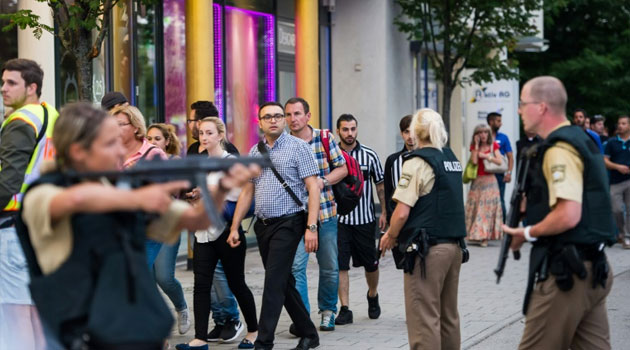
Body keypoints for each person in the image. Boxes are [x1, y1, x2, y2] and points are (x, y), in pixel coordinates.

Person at [16, 102, 259, 350]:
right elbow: (76, 199)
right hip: (79, 334)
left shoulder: (120, 188)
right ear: (79, 150)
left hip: (131, 329)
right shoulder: (44, 191)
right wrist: (136, 197)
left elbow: (197, 219)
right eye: (111, 144)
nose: (121, 152)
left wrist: (223, 188)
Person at [503, 76, 616, 349]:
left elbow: (568, 214)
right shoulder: (582, 140)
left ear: (541, 107)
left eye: (522, 103)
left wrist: (527, 232)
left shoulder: (559, 149)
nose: (519, 110)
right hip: (594, 266)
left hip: (566, 274)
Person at [231, 101, 320, 350]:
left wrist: (311, 227)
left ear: (283, 120)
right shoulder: (254, 152)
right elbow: (248, 190)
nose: (273, 120)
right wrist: (235, 225)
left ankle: (263, 342)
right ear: (259, 122)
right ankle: (310, 334)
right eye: (267, 117)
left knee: (273, 281)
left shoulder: (298, 148)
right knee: (282, 281)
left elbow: (313, 187)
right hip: (263, 225)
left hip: (290, 222)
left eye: (278, 116)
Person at [380, 108, 465, 350]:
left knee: (423, 318)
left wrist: (390, 236)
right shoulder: (450, 159)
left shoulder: (417, 162)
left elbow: (402, 211)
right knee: (448, 316)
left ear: (417, 131)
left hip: (427, 250)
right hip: (454, 246)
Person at [177, 117, 258, 350]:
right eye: (201, 133)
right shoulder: (203, 164)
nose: (204, 137)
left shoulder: (230, 162)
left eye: (210, 133)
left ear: (220, 135)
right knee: (201, 285)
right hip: (204, 233)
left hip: (227, 231)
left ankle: (253, 331)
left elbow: (238, 194)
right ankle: (200, 338)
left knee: (236, 283)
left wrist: (209, 191)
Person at [0, 58, 58, 350]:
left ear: (32, 87)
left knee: (15, 313)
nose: (3, 89)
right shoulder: (51, 115)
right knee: (33, 311)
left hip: (13, 227)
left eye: (12, 83)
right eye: (2, 82)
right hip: (41, 223)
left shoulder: (20, 120)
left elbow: (7, 183)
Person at [285, 97, 347, 332]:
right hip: (296, 215)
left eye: (297, 114)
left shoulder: (324, 138)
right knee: (295, 267)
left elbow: (342, 168)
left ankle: (328, 311)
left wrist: (322, 182)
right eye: (289, 114)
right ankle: (302, 318)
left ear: (308, 116)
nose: (293, 119)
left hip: (325, 212)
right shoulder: (283, 143)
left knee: (329, 265)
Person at [186, 101, 243, 343]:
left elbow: (236, 190)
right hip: (200, 219)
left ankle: (232, 318)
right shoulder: (192, 150)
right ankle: (219, 321)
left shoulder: (228, 152)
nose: (190, 126)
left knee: (222, 274)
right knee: (205, 278)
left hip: (221, 222)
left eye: (192, 121)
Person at [336, 114, 386, 324]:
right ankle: (345, 308)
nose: (349, 133)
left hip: (365, 220)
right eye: (345, 129)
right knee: (341, 265)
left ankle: (372, 295)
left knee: (371, 264)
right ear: (338, 131)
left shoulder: (369, 155)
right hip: (339, 221)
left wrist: (384, 212)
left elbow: (380, 185)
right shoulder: (332, 155)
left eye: (353, 129)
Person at [145, 123, 191, 335]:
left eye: (157, 139)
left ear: (167, 141)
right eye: (150, 138)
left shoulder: (174, 162)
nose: (153, 142)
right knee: (146, 276)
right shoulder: (140, 161)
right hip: (146, 226)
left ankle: (181, 307)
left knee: (163, 276)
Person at [110, 105, 168, 268]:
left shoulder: (153, 154)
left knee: (138, 271)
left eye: (121, 124)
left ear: (136, 127)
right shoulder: (111, 153)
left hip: (150, 226)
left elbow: (164, 191)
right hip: (121, 225)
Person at [464, 124, 503, 247]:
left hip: (490, 181)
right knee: (475, 208)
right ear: (476, 135)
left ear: (489, 134)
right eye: (480, 133)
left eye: (485, 132)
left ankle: (485, 237)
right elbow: (474, 161)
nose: (483, 135)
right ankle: (476, 235)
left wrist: (486, 156)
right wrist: (476, 146)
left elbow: (500, 161)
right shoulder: (473, 147)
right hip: (477, 182)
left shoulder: (493, 146)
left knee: (486, 210)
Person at [603, 115, 630, 249]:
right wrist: (617, 167)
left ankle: (627, 237)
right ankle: (620, 232)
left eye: (624, 124)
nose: (620, 126)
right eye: (619, 123)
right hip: (615, 182)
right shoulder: (612, 142)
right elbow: (605, 161)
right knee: (617, 210)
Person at [384, 115, 415, 224]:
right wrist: (388, 216)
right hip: (398, 217)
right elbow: (388, 191)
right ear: (401, 134)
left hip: (420, 218)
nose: (411, 136)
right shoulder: (392, 160)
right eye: (406, 132)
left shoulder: (428, 158)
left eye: (414, 131)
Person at [487, 112, 514, 221]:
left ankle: (503, 226)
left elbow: (510, 157)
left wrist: (509, 173)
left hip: (499, 174)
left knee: (500, 200)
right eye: (498, 121)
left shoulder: (503, 137)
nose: (501, 123)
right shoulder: (483, 136)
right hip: (485, 174)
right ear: (491, 122)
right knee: (487, 200)